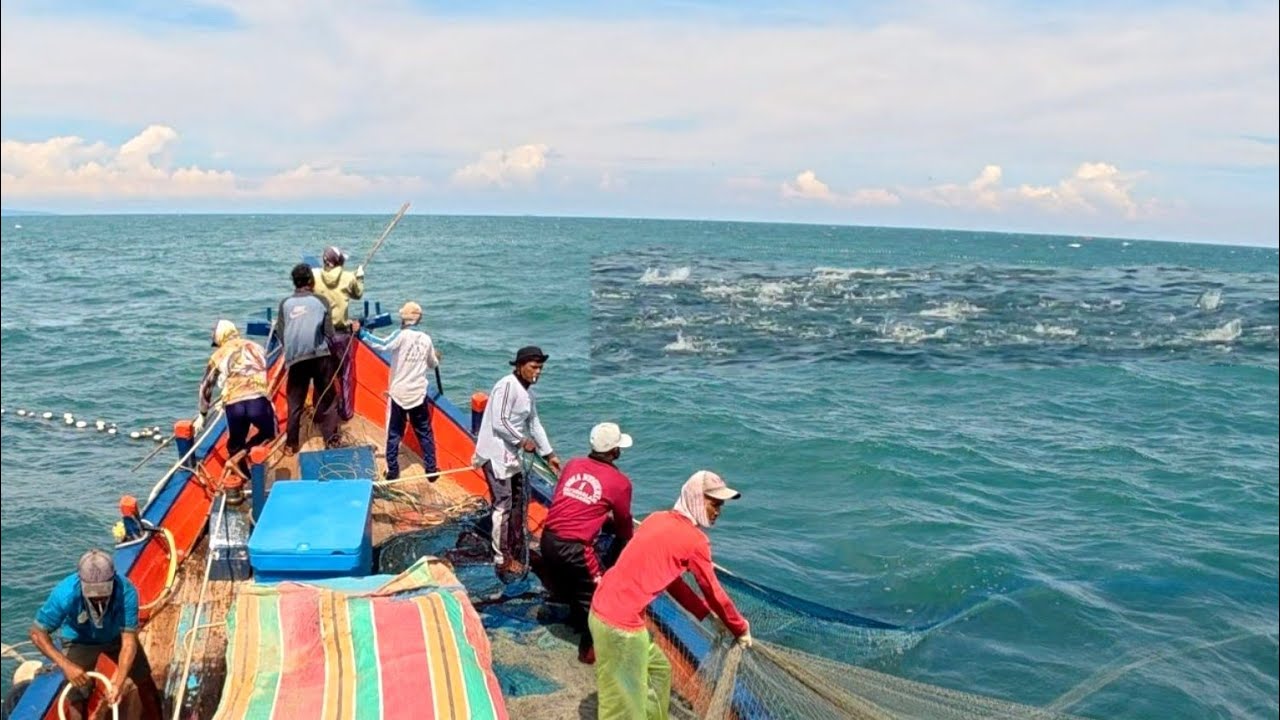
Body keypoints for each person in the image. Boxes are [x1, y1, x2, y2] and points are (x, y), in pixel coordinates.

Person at [589, 471, 752, 720]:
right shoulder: (696, 541)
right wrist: (739, 628)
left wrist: (706, 615)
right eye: (714, 503)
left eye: (721, 505)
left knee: (659, 672)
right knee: (621, 708)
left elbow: (673, 584)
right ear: (696, 498)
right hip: (619, 626)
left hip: (602, 607)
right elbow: (713, 591)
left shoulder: (656, 518)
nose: (718, 511)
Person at [540, 422, 636, 665]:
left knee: (574, 585)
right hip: (575, 550)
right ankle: (589, 652)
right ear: (614, 451)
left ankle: (573, 617)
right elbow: (624, 524)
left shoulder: (573, 465)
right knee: (600, 597)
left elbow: (568, 503)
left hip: (548, 539)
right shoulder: (620, 482)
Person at [28, 549, 161, 720]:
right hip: (79, 640)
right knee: (76, 696)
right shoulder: (65, 594)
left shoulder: (126, 591)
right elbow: (37, 633)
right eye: (92, 592)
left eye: (103, 592)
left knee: (144, 680)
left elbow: (128, 642)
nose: (98, 598)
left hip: (116, 637)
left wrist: (118, 683)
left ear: (113, 579)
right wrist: (66, 666)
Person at [473, 345, 562, 566]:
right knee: (503, 504)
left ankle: (514, 544)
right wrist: (522, 440)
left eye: (540, 368)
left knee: (518, 500)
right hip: (494, 454)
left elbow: (535, 424)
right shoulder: (506, 386)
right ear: (520, 366)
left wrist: (549, 453)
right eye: (533, 367)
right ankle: (501, 557)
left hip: (511, 455)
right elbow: (500, 421)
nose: (537, 372)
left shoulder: (529, 395)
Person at [358, 301, 441, 481]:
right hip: (418, 394)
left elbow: (382, 344)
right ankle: (431, 470)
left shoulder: (400, 335)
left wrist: (361, 333)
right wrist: (437, 359)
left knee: (394, 433)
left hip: (399, 394)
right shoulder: (426, 339)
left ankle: (393, 471)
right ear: (419, 319)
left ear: (404, 318)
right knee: (425, 433)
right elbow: (432, 363)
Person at [195, 320, 276, 478]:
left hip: (234, 405)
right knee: (270, 432)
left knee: (235, 445)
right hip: (257, 401)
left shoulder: (217, 355)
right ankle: (242, 456)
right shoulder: (256, 347)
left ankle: (243, 476)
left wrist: (202, 415)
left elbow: (206, 386)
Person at [276, 262, 340, 454]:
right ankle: (331, 440)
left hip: (296, 359)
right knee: (329, 398)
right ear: (311, 282)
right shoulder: (321, 301)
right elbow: (330, 333)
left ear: (294, 283)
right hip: (319, 356)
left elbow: (281, 333)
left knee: (295, 403)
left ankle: (291, 444)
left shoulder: (285, 304)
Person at [312, 246, 364, 422]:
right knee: (345, 375)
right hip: (341, 334)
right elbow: (358, 294)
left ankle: (319, 414)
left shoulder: (315, 275)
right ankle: (346, 412)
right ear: (339, 261)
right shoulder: (348, 277)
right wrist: (359, 277)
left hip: (321, 335)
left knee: (320, 375)